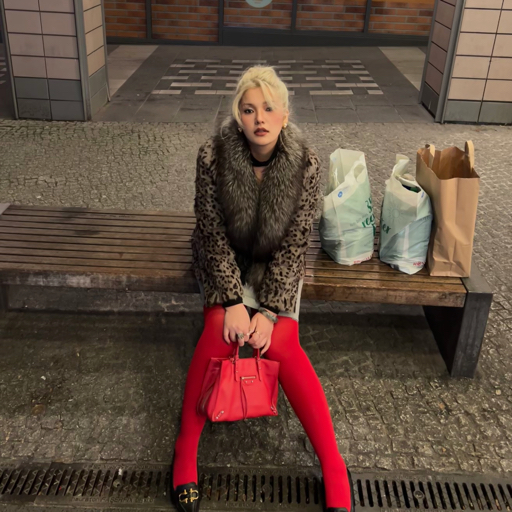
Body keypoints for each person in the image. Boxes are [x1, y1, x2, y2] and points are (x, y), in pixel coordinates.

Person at [171, 66, 353, 512]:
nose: (260, 118)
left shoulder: (306, 163)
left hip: (276, 266)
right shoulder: (212, 157)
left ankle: (333, 464)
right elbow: (211, 233)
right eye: (249, 109)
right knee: (221, 332)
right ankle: (185, 449)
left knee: (283, 343)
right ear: (238, 116)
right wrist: (234, 301)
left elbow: (295, 244)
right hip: (225, 260)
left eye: (269, 108)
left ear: (285, 115)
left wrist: (269, 311)